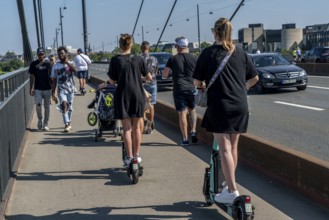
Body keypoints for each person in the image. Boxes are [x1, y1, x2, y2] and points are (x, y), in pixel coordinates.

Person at [193, 18, 259, 204]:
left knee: (225, 149)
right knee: (233, 147)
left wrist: (203, 85)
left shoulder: (207, 54)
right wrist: (242, 87)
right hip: (240, 105)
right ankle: (229, 185)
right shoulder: (240, 52)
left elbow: (197, 83)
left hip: (220, 105)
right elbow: (255, 78)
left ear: (215, 32)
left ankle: (231, 189)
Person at [107, 34, 152, 166]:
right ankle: (137, 156)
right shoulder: (139, 59)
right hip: (138, 95)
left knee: (127, 129)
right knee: (137, 128)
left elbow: (112, 80)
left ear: (120, 45)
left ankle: (129, 157)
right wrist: (138, 79)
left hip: (123, 96)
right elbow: (149, 77)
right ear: (131, 44)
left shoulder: (115, 60)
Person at [162, 36, 198, 146]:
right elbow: (200, 73)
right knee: (192, 110)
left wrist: (170, 75)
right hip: (191, 88)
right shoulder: (194, 58)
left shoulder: (172, 59)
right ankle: (193, 131)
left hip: (179, 89)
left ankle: (185, 138)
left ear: (178, 46)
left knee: (182, 113)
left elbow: (165, 74)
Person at [51, 46, 77, 132]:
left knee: (70, 107)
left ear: (66, 54)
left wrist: (67, 63)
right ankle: (66, 123)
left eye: (62, 53)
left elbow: (75, 71)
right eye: (59, 54)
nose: (60, 55)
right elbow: (54, 80)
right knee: (64, 104)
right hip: (61, 89)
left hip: (70, 89)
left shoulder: (70, 63)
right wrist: (53, 92)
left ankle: (69, 122)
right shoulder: (55, 66)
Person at [28, 47, 53, 131]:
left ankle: (46, 124)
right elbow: (32, 76)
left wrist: (54, 91)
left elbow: (52, 77)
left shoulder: (48, 64)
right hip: (38, 88)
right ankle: (40, 119)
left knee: (47, 107)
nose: (41, 55)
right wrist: (30, 88)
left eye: (42, 54)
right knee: (38, 105)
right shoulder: (33, 64)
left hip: (48, 88)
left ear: (44, 54)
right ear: (37, 54)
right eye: (39, 54)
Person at [140, 41, 158, 134]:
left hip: (142, 84)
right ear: (149, 48)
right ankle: (150, 127)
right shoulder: (154, 58)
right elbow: (156, 71)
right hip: (153, 83)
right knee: (152, 105)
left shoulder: (138, 59)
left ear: (141, 49)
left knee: (143, 104)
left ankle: (144, 122)